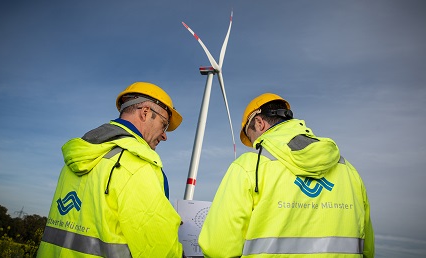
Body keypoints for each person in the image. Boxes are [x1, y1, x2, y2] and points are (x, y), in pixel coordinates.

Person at [198, 93, 374, 257]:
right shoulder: (348, 171)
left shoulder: (249, 166)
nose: (254, 146)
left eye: (251, 138)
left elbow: (218, 247)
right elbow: (367, 247)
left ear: (259, 123)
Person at [37, 82, 185, 257]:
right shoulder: (137, 164)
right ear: (145, 113)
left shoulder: (78, 156)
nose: (165, 136)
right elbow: (159, 248)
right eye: (164, 124)